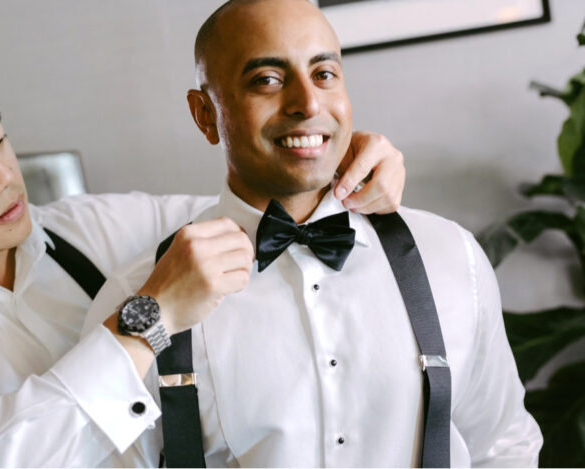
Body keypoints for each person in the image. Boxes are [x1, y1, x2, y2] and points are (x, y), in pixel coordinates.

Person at [0, 40, 406, 467]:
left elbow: (258, 211)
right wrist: (149, 319)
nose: (4, 178)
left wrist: (332, 163)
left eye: (0, 140)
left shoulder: (92, 227)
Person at [83, 0, 543, 466]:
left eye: (324, 74)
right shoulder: (138, 302)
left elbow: (503, 445)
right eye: (267, 80)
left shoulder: (449, 254)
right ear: (205, 114)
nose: (308, 103)